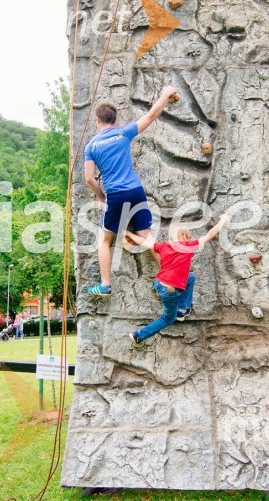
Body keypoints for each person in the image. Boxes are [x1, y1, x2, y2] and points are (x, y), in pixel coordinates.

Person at [84, 85, 179, 296]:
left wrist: (102, 197)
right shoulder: (122, 133)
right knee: (145, 236)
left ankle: (105, 285)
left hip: (115, 195)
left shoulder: (91, 146)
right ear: (114, 120)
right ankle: (171, 278)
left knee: (104, 240)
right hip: (136, 190)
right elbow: (152, 115)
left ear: (97, 120)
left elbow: (89, 178)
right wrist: (165, 94)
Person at [126, 215, 229, 345]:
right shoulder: (188, 246)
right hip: (169, 290)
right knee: (168, 319)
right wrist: (223, 220)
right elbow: (210, 234)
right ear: (185, 237)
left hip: (159, 283)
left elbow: (143, 241)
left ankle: (182, 309)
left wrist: (127, 233)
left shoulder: (163, 246)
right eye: (189, 237)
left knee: (190, 277)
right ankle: (138, 335)